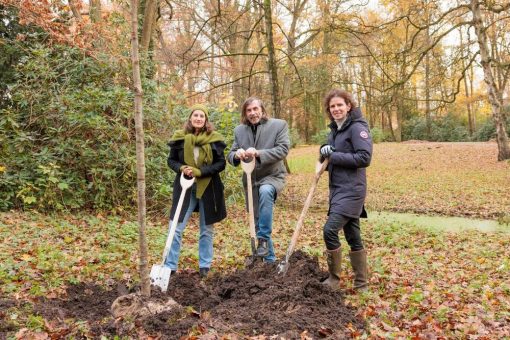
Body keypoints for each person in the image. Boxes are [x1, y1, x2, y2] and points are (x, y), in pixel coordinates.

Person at [165, 104, 227, 278]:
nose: (198, 118)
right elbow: (171, 161)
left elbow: (221, 164)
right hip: (184, 187)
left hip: (208, 188)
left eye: (202, 116)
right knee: (175, 227)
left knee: (206, 230)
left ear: (206, 120)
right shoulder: (180, 138)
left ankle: (204, 267)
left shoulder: (214, 140)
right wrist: (182, 168)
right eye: (195, 115)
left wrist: (200, 172)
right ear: (190, 118)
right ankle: (170, 267)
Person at [319, 89, 372, 291]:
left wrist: (333, 156)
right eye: (332, 106)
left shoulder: (358, 128)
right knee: (353, 236)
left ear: (349, 106)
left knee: (329, 230)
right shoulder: (335, 130)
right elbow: (327, 156)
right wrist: (323, 149)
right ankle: (362, 284)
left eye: (340, 105)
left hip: (352, 190)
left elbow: (364, 158)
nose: (336, 109)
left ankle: (334, 280)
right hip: (337, 190)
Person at [227, 97, 290, 262]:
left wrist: (259, 153)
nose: (253, 113)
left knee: (266, 190)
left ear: (262, 110)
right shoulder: (239, 131)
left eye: (255, 109)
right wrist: (236, 155)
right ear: (245, 113)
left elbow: (283, 149)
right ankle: (268, 261)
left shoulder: (278, 125)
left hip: (272, 176)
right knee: (255, 219)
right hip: (250, 179)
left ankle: (263, 240)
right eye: (249, 110)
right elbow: (231, 154)